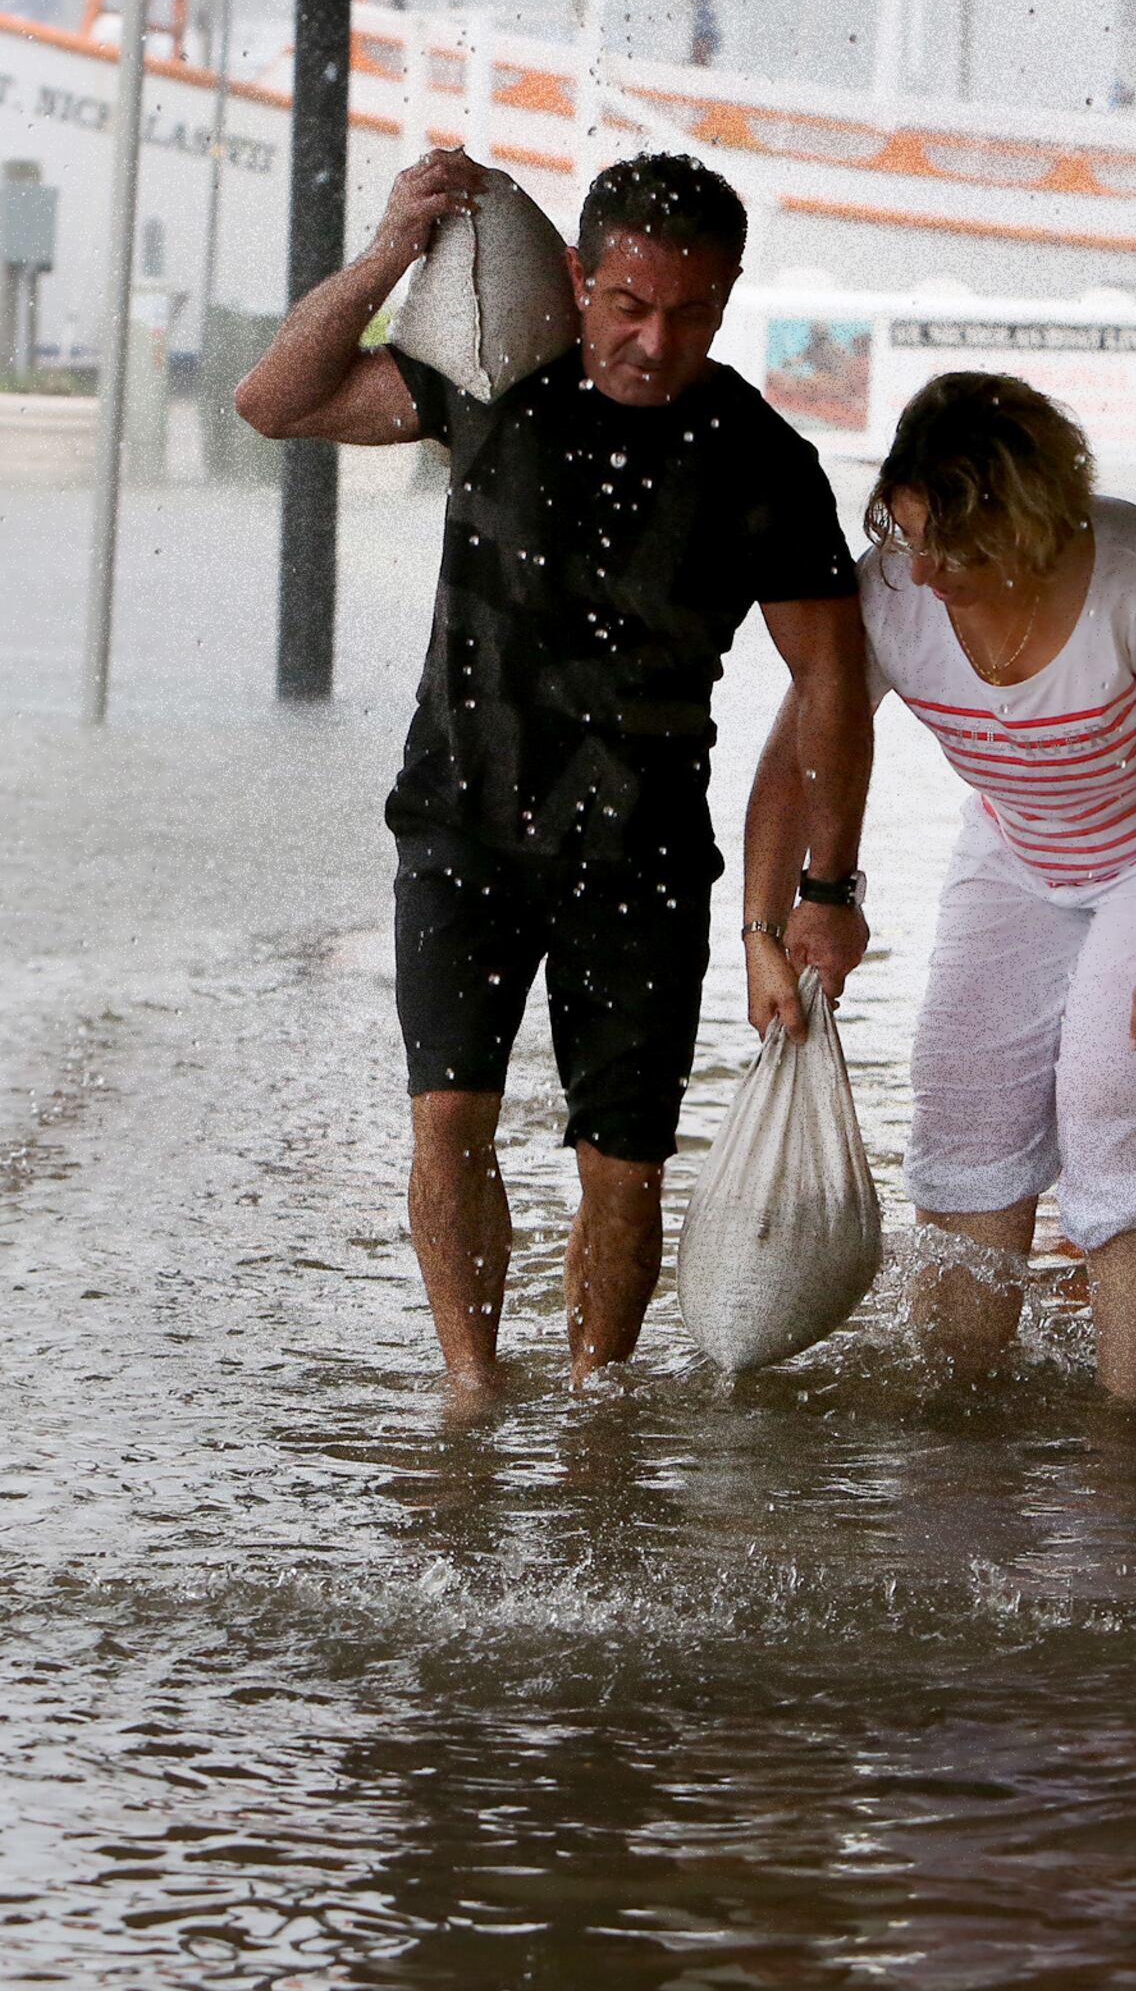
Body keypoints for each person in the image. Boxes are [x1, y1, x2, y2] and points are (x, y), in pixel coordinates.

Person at [233, 148, 874, 1396]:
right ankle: (471, 1392)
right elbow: (272, 401)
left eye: (691, 311)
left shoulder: (763, 462)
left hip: (639, 850)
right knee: (450, 1124)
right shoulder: (492, 378)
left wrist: (826, 889)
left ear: (730, 298)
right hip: (461, 827)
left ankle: (595, 1410)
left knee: (622, 1166)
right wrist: (386, 255)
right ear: (578, 278)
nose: (653, 339)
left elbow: (834, 688)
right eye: (628, 304)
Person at [749, 374, 1136, 1401]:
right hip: (1023, 845)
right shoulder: (896, 590)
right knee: (960, 1095)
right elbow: (797, 757)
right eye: (911, 536)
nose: (931, 573)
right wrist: (766, 923)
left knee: (1113, 1099)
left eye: (958, 549)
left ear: (1035, 520)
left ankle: (1133, 1434)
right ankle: (956, 1414)